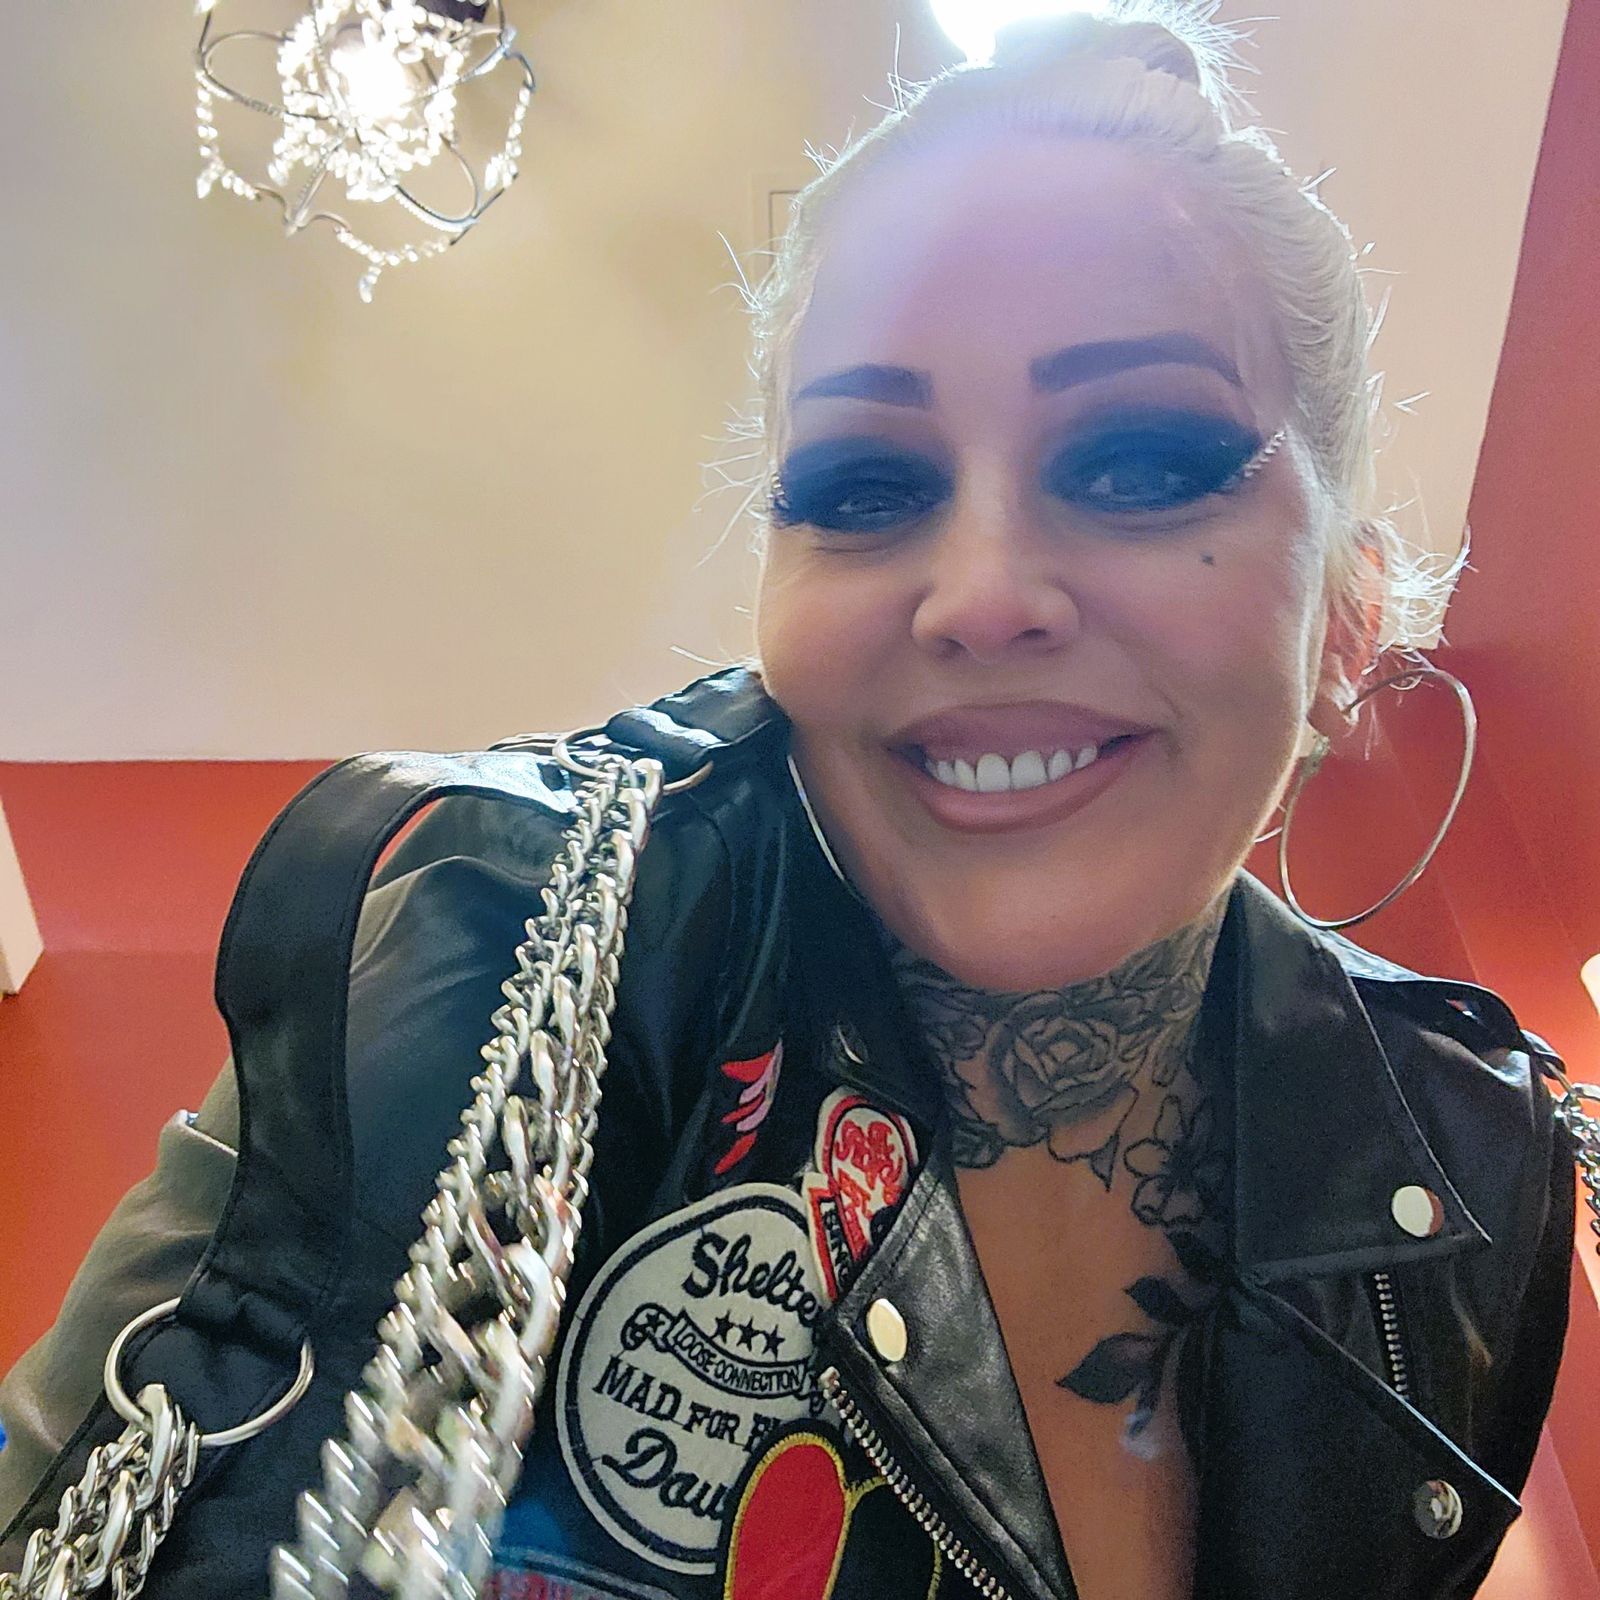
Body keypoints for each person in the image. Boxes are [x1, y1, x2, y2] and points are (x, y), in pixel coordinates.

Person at [0, 6, 1578, 1600]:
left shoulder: (1472, 1177)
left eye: (1141, 461)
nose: (980, 594)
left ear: (1349, 627)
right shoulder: (497, 936)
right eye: (864, 486)